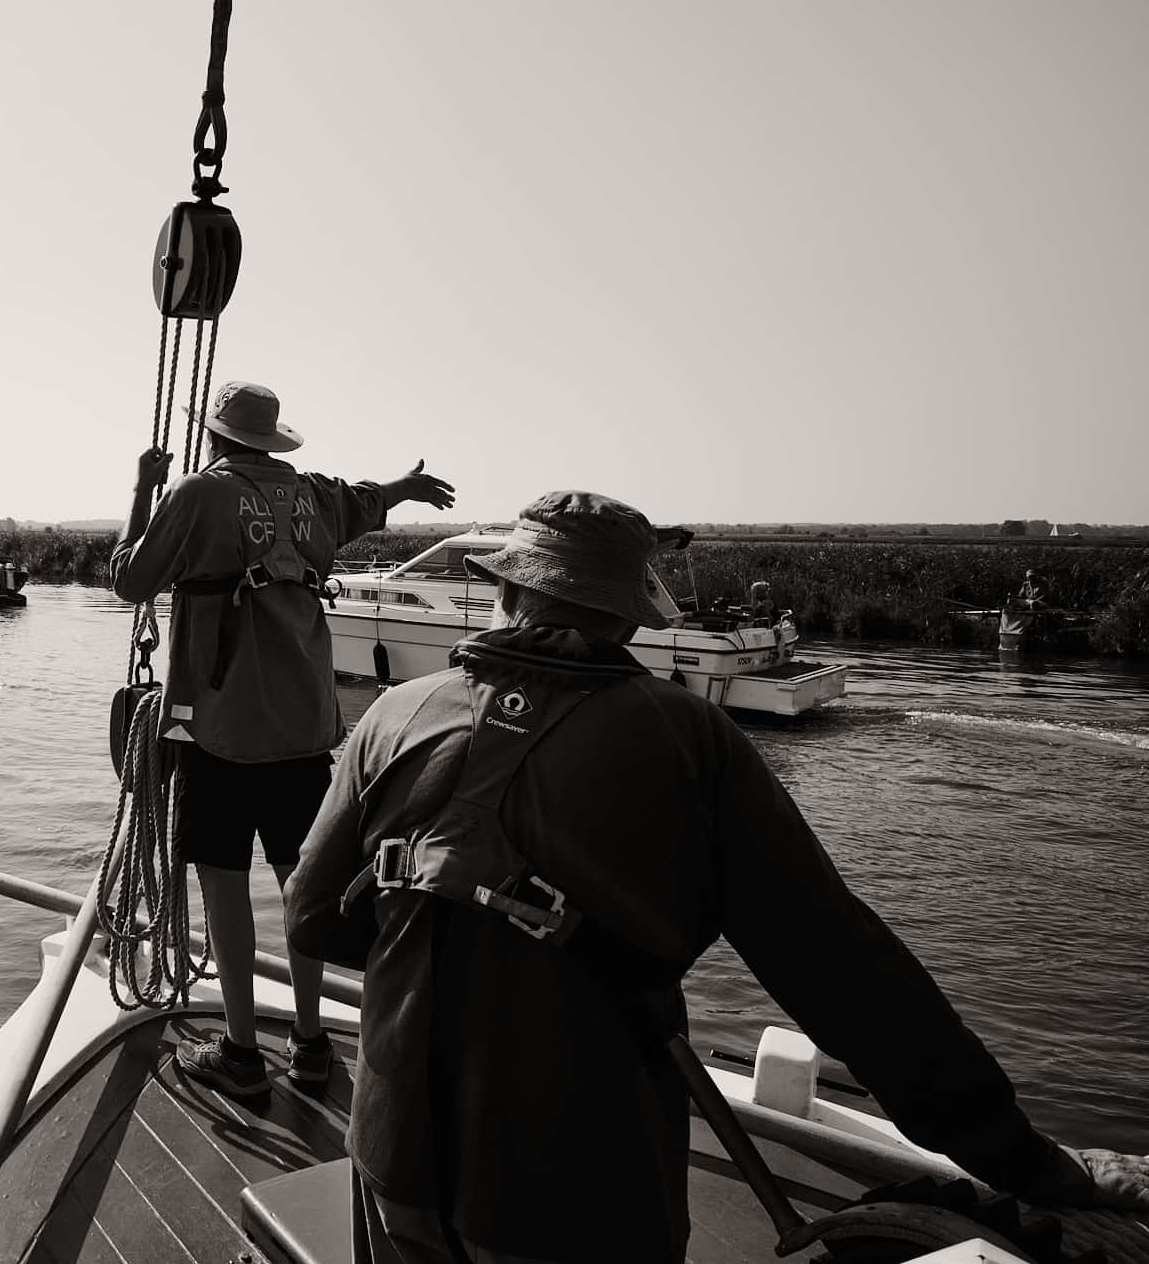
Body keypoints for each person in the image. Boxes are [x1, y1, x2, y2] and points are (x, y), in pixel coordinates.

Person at [285, 489, 1149, 1263]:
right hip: (570, 1191)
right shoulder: (688, 739)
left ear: (510, 589)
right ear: (628, 616)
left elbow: (314, 917)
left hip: (392, 1160)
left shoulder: (394, 715)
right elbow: (848, 979)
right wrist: (1027, 1161)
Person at [112, 379, 453, 1097]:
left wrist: (143, 490)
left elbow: (129, 579)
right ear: (270, 441)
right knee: (303, 887)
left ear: (214, 437)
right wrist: (410, 484)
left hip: (217, 733)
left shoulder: (197, 494)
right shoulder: (312, 496)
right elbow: (365, 498)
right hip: (306, 733)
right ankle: (309, 1039)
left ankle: (240, 1052)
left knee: (225, 886)